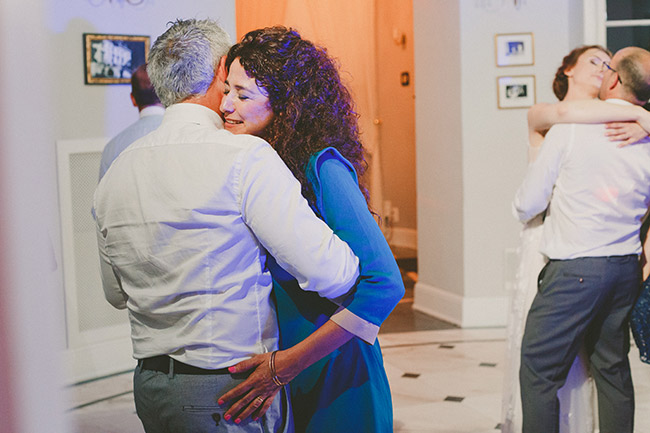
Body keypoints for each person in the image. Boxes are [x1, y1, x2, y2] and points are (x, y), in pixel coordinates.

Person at [94, 18, 372, 433]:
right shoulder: (243, 157)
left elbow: (115, 294)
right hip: (229, 390)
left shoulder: (117, 170)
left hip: (150, 386)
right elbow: (334, 273)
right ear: (222, 70)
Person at [216, 27, 405, 432]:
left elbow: (385, 284)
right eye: (226, 90)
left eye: (243, 95)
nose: (226, 105)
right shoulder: (255, 168)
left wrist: (287, 364)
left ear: (287, 104)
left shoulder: (323, 166)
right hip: (284, 372)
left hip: (335, 373)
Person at [502, 44, 650, 433]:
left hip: (575, 272)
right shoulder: (645, 138)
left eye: (607, 65)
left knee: (538, 371)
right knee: (612, 369)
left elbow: (528, 203)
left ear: (614, 80)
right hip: (625, 268)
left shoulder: (570, 132)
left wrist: (520, 206)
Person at [98, 63, 164, 180]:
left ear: (133, 99)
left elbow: (104, 191)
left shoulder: (112, 148)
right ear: (166, 95)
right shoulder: (186, 135)